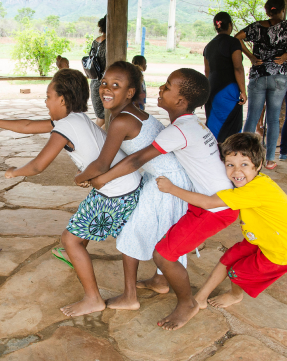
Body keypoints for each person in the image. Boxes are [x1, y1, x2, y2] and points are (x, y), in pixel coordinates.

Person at [0, 68, 143, 317]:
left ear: (62, 99)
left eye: (48, 96)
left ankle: (93, 298)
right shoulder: (76, 119)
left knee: (70, 239)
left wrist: (14, 172)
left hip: (115, 191)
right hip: (124, 185)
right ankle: (74, 252)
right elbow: (26, 125)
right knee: (82, 221)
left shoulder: (64, 128)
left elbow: (37, 165)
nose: (45, 102)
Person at [83, 69, 239, 330]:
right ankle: (160, 281)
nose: (160, 89)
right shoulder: (190, 124)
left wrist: (102, 179)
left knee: (164, 255)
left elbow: (136, 160)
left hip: (216, 207)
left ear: (181, 101)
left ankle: (187, 302)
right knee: (164, 244)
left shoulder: (176, 131)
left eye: (167, 87)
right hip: (206, 200)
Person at [73, 62, 193, 311]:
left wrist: (83, 177)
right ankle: (160, 280)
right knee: (163, 232)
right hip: (168, 178)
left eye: (116, 85)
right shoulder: (135, 112)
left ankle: (130, 296)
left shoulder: (121, 121)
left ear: (130, 93)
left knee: (130, 234)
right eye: (104, 82)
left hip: (165, 183)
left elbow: (102, 163)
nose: (106, 88)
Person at [157, 133, 287, 313]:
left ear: (257, 166)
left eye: (244, 165)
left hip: (279, 250)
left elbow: (208, 202)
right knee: (227, 260)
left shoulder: (256, 190)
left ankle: (235, 295)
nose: (236, 171)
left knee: (238, 272)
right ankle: (200, 298)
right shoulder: (252, 184)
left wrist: (171, 189)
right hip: (259, 239)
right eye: (230, 165)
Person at [235, 0, 287, 170]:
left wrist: (250, 56)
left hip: (258, 75)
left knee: (252, 117)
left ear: (267, 11)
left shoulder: (257, 26)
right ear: (283, 9)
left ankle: (244, 155)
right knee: (273, 119)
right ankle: (270, 159)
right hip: (279, 77)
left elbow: (237, 38)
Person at [204, 11, 247, 143]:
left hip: (212, 89)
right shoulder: (233, 42)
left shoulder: (209, 46)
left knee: (213, 125)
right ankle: (229, 157)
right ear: (230, 25)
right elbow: (238, 68)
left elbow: (207, 71)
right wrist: (243, 91)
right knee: (231, 126)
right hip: (228, 89)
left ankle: (214, 155)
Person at [89, 16, 107, 128]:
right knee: (103, 115)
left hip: (95, 81)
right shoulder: (111, 43)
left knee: (100, 115)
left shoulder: (95, 42)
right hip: (106, 82)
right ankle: (96, 138)